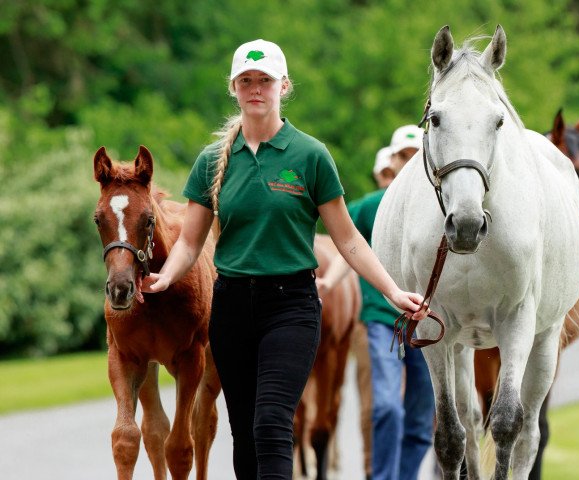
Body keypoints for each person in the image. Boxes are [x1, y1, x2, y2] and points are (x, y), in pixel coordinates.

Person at [141, 39, 429, 480]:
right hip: (232, 308)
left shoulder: (310, 156)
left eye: (266, 81)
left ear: (284, 86)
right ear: (233, 88)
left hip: (291, 307)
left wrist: (392, 291)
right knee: (244, 433)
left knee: (273, 422)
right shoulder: (211, 162)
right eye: (247, 81)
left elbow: (348, 240)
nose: (256, 89)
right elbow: (189, 242)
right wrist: (164, 278)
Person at [318, 125, 435, 480]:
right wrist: (329, 280)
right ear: (394, 161)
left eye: (417, 156)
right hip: (384, 320)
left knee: (420, 417)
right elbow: (346, 240)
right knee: (386, 407)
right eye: (403, 156)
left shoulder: (443, 208)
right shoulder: (373, 206)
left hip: (431, 326)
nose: (410, 162)